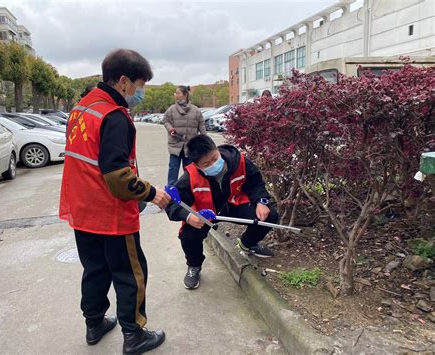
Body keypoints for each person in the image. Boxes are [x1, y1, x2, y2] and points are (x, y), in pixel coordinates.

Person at [59, 48, 170, 354]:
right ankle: (134, 335)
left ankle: (94, 324)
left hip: (81, 209)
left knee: (94, 269)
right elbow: (119, 177)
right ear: (123, 81)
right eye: (140, 84)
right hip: (111, 214)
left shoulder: (81, 108)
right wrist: (152, 193)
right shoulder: (114, 117)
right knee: (131, 274)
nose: (141, 91)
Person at [165, 135, 279, 289]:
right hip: (206, 213)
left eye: (214, 158)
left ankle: (246, 244)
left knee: (269, 215)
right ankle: (194, 266)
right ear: (197, 165)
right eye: (206, 163)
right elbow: (171, 203)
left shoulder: (239, 161)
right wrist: (189, 216)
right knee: (188, 235)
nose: (213, 164)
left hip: (234, 204)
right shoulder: (189, 177)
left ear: (217, 150)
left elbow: (255, 182)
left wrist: (261, 201)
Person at [163, 85, 206, 185]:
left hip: (190, 148)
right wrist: (170, 129)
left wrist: (206, 144)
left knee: (190, 174)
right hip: (175, 146)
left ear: (185, 95)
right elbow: (165, 120)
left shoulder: (196, 111)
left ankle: (189, 194)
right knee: (172, 173)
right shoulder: (171, 109)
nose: (176, 95)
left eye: (178, 93)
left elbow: (202, 128)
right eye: (175, 93)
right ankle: (171, 195)